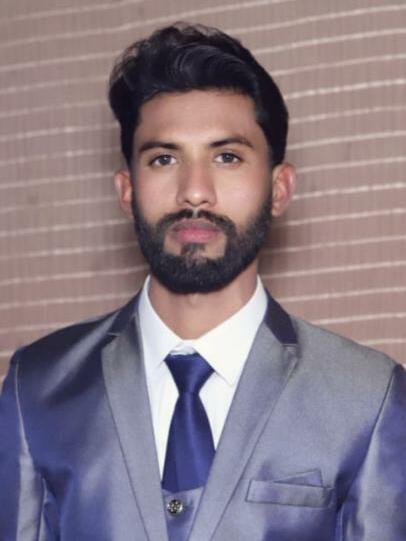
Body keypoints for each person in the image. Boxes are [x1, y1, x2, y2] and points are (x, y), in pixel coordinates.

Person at [0, 23, 405, 541]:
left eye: (227, 157)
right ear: (127, 190)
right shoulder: (38, 386)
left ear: (280, 188)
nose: (194, 192)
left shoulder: (367, 396)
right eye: (164, 158)